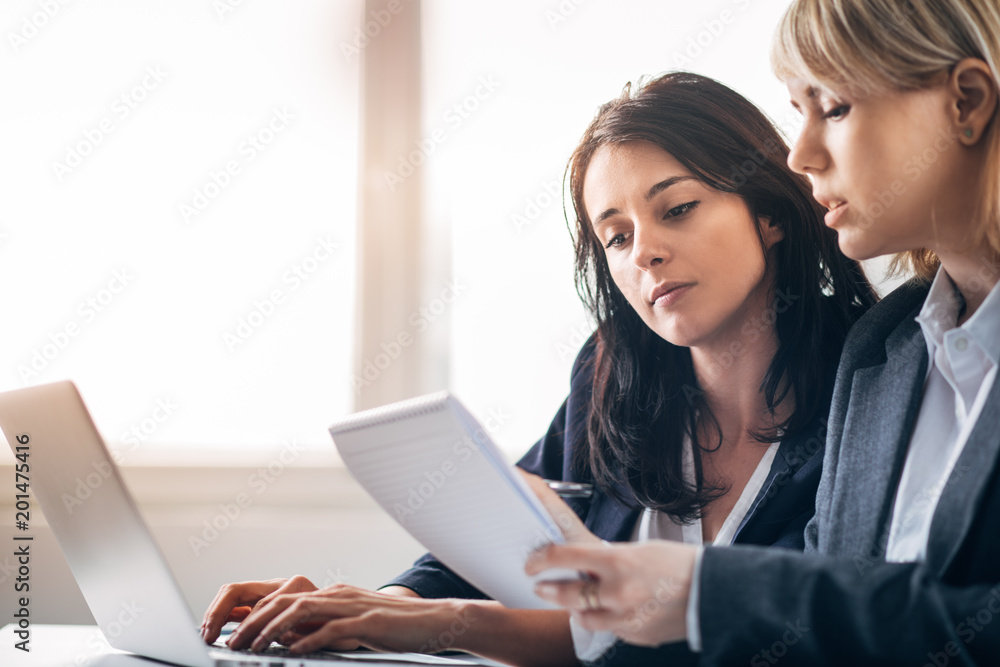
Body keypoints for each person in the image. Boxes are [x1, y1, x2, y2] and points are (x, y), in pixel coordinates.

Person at [199, 72, 875, 666]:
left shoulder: (874, 378)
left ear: (768, 214)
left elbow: (763, 634)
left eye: (677, 209)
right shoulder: (614, 373)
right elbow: (497, 543)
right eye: (617, 235)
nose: (646, 253)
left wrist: (451, 627)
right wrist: (370, 609)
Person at [525, 1, 1000, 665]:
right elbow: (826, 617)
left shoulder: (844, 352)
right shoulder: (886, 350)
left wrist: (703, 592)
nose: (801, 155)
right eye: (617, 236)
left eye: (832, 107)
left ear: (968, 103)